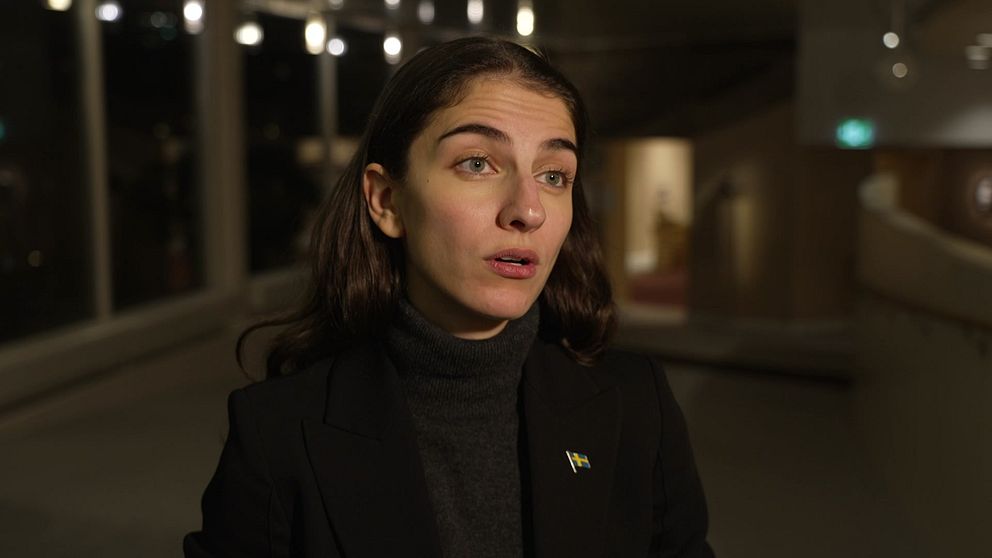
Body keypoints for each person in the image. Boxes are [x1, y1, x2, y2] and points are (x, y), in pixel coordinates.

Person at [184, 37, 714, 558]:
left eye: (554, 175)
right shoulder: (277, 433)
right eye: (478, 163)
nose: (528, 210)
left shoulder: (638, 405)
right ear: (387, 201)